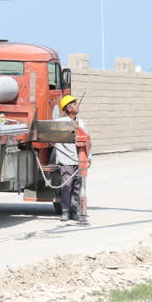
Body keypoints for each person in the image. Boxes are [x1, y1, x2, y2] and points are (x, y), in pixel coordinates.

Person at [52, 95, 90, 225]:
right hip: (66, 159)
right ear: (68, 108)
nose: (76, 106)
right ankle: (65, 211)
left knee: (77, 187)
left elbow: (87, 140)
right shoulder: (60, 122)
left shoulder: (82, 123)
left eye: (76, 104)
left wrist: (88, 157)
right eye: (74, 104)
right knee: (67, 186)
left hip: (79, 159)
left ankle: (74, 211)